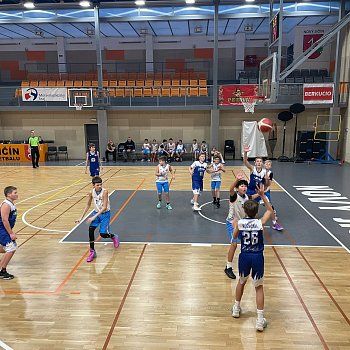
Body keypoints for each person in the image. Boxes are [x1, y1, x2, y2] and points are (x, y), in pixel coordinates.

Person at [231, 183, 273, 332]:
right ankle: (260, 320)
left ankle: (236, 308)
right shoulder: (260, 222)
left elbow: (234, 237)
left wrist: (236, 224)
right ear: (256, 212)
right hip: (257, 257)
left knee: (241, 282)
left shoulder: (241, 223)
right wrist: (262, 195)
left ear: (245, 211)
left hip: (244, 256)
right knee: (259, 287)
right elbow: (270, 210)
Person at [76, 176, 120, 263]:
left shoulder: (105, 192)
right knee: (91, 230)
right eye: (97, 185)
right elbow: (88, 205)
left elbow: (104, 207)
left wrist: (93, 217)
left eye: (100, 184)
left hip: (105, 214)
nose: (99, 186)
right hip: (96, 213)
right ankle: (92, 252)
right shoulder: (91, 192)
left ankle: (113, 236)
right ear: (93, 185)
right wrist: (81, 216)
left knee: (103, 234)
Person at [224, 173, 251, 280]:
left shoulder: (247, 197)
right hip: (232, 223)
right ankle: (228, 267)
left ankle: (245, 264)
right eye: (241, 186)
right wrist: (236, 180)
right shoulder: (234, 196)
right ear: (237, 188)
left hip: (242, 224)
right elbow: (230, 189)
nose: (244, 187)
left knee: (246, 244)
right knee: (234, 244)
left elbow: (252, 197)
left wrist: (260, 194)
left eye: (245, 186)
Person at [0, 186, 18, 280]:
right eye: (15, 193)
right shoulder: (6, 204)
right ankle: (2, 271)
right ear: (8, 194)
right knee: (11, 248)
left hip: (4, 229)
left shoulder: (11, 204)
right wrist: (11, 233)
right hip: (2, 229)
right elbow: (4, 220)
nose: (17, 194)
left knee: (6, 248)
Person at [264, 160, 283, 231]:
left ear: (271, 166)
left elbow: (269, 184)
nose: (267, 165)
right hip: (258, 190)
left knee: (268, 204)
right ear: (264, 164)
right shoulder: (260, 171)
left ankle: (273, 216)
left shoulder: (270, 173)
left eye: (269, 165)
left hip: (266, 191)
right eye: (266, 164)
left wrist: (266, 189)